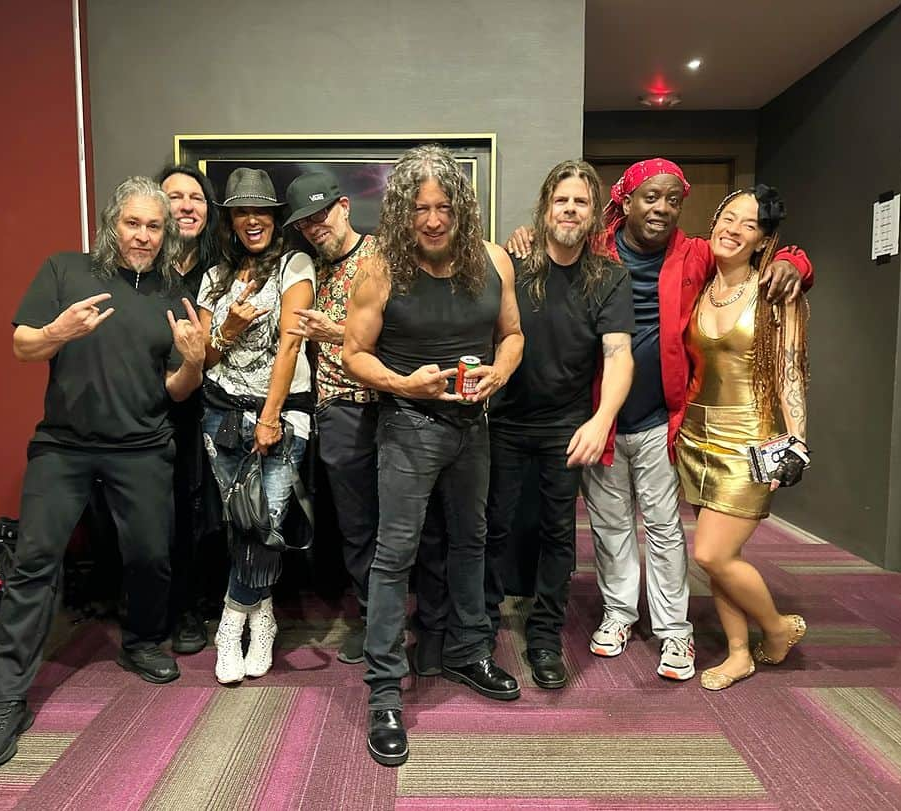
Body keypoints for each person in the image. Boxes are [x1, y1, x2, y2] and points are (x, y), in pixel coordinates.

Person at [507, 158, 812, 681]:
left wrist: (792, 260)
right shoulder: (594, 248)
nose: (663, 208)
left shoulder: (693, 252)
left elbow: (758, 249)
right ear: (625, 201)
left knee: (665, 528)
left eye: (673, 199)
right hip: (596, 416)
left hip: (660, 418)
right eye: (652, 197)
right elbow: (550, 240)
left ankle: (675, 631)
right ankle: (620, 613)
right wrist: (524, 235)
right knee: (609, 526)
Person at [0, 176, 205, 770]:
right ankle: (7, 699)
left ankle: (143, 642)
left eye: (155, 226)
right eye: (134, 224)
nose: (144, 236)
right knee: (35, 562)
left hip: (144, 445)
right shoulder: (64, 271)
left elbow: (177, 389)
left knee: (151, 555)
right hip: (64, 447)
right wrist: (55, 333)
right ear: (111, 224)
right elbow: (23, 346)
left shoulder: (174, 294)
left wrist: (196, 361)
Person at [344, 144, 524, 767]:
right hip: (409, 424)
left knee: (471, 541)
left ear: (461, 209)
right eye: (419, 208)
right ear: (402, 211)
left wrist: (500, 371)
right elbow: (354, 354)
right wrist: (402, 382)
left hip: (472, 425)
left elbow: (513, 334)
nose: (432, 220)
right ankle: (385, 693)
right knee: (394, 558)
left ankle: (469, 651)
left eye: (443, 206)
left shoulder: (492, 259)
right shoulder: (379, 268)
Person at [283, 171, 448, 672]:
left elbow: (410, 330)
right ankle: (377, 622)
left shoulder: (388, 256)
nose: (316, 228)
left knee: (416, 524)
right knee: (357, 529)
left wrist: (337, 332)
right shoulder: (308, 271)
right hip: (337, 410)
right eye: (306, 223)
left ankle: (432, 625)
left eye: (322, 215)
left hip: (394, 406)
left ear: (344, 207)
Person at [484, 160, 634, 690]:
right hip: (503, 421)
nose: (570, 209)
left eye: (581, 202)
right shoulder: (514, 265)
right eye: (561, 200)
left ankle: (544, 635)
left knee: (556, 533)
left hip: (566, 426)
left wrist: (601, 420)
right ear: (546, 208)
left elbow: (618, 355)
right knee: (493, 527)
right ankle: (482, 628)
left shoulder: (609, 277)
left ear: (594, 214)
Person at [677, 184, 810, 690]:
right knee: (721, 559)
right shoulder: (701, 284)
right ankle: (738, 653)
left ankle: (777, 628)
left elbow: (792, 372)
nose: (732, 229)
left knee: (711, 553)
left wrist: (796, 441)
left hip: (750, 437)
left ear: (763, 240)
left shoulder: (777, 292)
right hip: (695, 433)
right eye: (727, 217)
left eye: (748, 225)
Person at [197, 168, 316, 685]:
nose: (252, 220)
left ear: (275, 218)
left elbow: (292, 342)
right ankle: (262, 616)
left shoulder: (296, 264)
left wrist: (269, 417)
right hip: (221, 413)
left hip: (281, 414)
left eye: (261, 211)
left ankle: (230, 624)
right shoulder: (214, 277)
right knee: (241, 523)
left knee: (265, 519)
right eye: (242, 211)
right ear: (230, 219)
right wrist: (229, 326)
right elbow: (203, 355)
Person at [156, 164, 221, 655]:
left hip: (214, 406)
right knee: (169, 510)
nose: (185, 205)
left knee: (208, 511)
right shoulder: (143, 270)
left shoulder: (220, 268)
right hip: (155, 408)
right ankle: (178, 609)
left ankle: (202, 603)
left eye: (195, 197)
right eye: (174, 196)